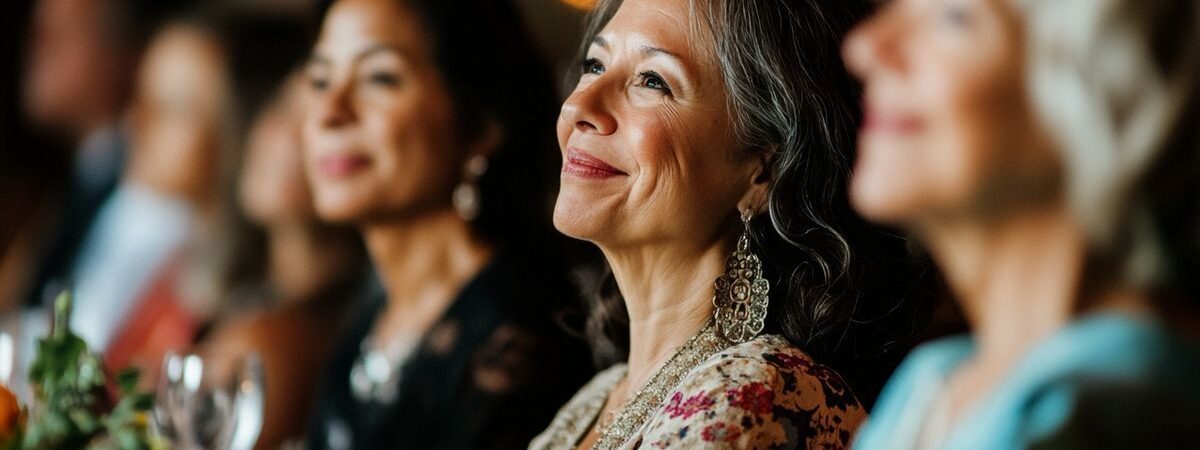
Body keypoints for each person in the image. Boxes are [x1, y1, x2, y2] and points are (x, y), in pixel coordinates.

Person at [530, 0, 929, 448]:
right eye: (594, 64)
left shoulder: (758, 397)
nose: (579, 106)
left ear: (763, 170)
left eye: (652, 80)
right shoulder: (595, 399)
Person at [843, 0, 1200, 448]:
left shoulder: (1110, 410)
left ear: (1104, 88)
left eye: (953, 16)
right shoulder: (932, 383)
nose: (865, 47)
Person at [301, 0, 595, 448]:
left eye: (380, 78)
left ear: (481, 122)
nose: (330, 111)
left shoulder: (517, 341)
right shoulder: (368, 325)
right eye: (320, 80)